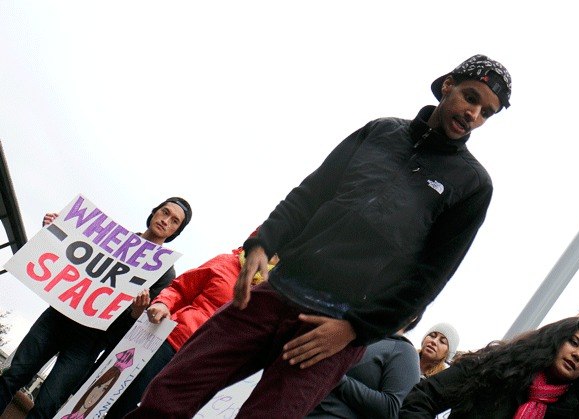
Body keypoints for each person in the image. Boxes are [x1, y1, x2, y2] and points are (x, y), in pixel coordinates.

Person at [127, 54, 513, 418]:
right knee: (169, 393)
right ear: (448, 85)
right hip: (278, 291)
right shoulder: (380, 131)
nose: (473, 114)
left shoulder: (473, 185)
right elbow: (311, 194)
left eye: (485, 113)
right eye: (470, 97)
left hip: (334, 329)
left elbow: (431, 275)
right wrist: (263, 243)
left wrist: (355, 331)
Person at [0, 197, 191, 419]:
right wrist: (56, 233)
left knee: (48, 403)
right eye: (164, 212)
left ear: (176, 231)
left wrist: (138, 311)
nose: (165, 220)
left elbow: (139, 322)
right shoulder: (110, 239)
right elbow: (73, 255)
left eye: (174, 221)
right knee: (13, 375)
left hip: (89, 341)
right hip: (58, 318)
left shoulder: (165, 273)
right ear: (154, 211)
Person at [103, 244, 278, 418]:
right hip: (171, 344)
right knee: (124, 402)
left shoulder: (276, 296)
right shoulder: (225, 262)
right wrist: (163, 303)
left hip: (208, 364)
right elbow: (181, 287)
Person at [399, 317, 579, 418]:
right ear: (555, 339)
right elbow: (423, 398)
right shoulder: (496, 366)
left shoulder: (571, 413)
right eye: (574, 342)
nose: (578, 355)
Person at [306, 318, 420, 418]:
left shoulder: (404, 350)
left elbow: (393, 409)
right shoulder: (355, 333)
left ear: (413, 316)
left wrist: (339, 378)